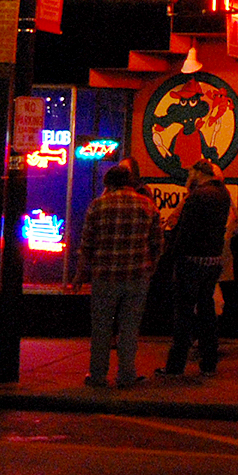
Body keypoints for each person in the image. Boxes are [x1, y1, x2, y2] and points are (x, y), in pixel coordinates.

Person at [72, 162, 162, 388]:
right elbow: (158, 244)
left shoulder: (97, 206)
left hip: (105, 277)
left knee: (101, 328)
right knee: (129, 329)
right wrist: (149, 269)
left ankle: (98, 376)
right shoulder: (148, 206)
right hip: (137, 276)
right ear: (131, 183)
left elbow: (87, 245)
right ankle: (126, 375)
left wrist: (80, 275)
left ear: (108, 183)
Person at [156, 162, 238, 378]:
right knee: (207, 311)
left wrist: (169, 257)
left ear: (200, 174)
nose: (189, 176)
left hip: (191, 260)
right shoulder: (222, 194)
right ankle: (209, 363)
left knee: (183, 315)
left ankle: (175, 366)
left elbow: (185, 232)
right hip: (212, 259)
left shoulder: (197, 196)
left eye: (192, 173)